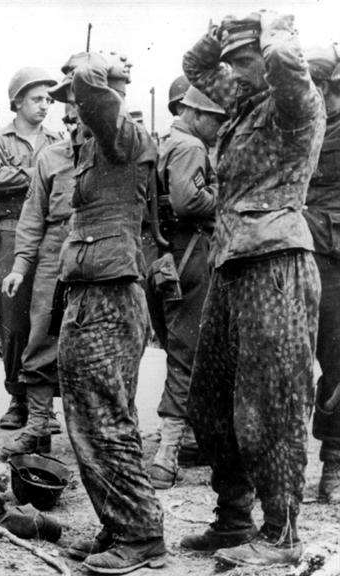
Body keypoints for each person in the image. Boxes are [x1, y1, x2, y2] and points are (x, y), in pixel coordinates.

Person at [181, 12, 324, 566]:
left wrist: (271, 30)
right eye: (234, 64)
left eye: (246, 63)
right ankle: (233, 519)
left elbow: (288, 66)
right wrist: (223, 31)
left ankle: (282, 532)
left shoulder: (295, 107)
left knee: (271, 402)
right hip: (232, 262)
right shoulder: (243, 105)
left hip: (277, 261)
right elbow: (195, 64)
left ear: (264, 60)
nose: (234, 73)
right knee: (210, 400)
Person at [56, 53, 167, 575]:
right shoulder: (88, 147)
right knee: (85, 417)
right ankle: (117, 522)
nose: (70, 116)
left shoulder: (125, 138)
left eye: (75, 106)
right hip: (86, 292)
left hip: (112, 295)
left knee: (107, 417)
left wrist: (87, 71)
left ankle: (141, 533)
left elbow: (99, 104)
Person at [146, 86, 225, 488]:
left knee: (178, 346)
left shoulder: (162, 141)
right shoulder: (191, 145)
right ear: (194, 112)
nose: (220, 125)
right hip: (190, 255)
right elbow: (188, 202)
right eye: (216, 117)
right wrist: (223, 195)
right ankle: (167, 454)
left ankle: (190, 439)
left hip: (162, 258)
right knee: (188, 352)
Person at [0, 66, 63, 431]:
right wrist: (41, 171)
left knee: (48, 316)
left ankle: (44, 403)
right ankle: (18, 398)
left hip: (51, 234)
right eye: (37, 99)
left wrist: (24, 172)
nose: (45, 105)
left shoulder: (58, 138)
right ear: (17, 102)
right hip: (11, 233)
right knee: (13, 320)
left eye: (48, 99)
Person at [0, 74, 78, 456]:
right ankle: (38, 422)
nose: (77, 122)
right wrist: (19, 266)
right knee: (41, 333)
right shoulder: (52, 157)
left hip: (98, 253)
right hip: (53, 250)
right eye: (73, 115)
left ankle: (93, 428)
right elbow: (32, 218)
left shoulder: (118, 154)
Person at [302, 45, 340, 503]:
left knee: (336, 358)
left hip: (333, 256)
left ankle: (334, 462)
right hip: (296, 247)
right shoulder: (298, 125)